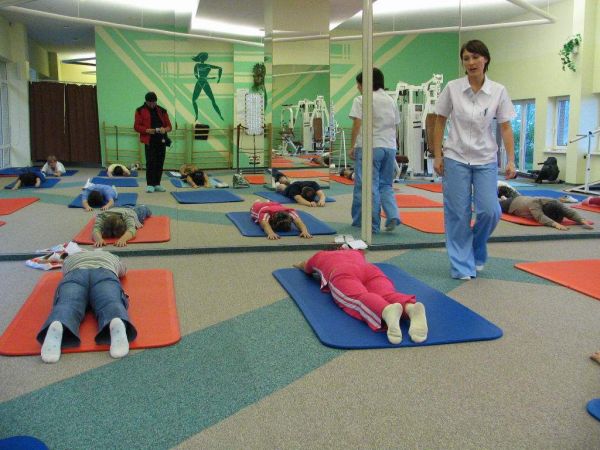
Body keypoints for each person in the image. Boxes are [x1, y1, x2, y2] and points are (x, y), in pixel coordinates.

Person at [432, 40, 517, 280]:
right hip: (455, 157)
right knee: (458, 215)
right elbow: (440, 121)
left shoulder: (498, 91)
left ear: (485, 59)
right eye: (466, 58)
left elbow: (506, 127)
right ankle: (461, 266)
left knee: (490, 211)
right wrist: (437, 155)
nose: (471, 62)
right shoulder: (452, 88)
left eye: (475, 57)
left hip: (485, 159)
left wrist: (511, 160)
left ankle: (476, 249)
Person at [294, 249, 428, 344]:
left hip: (342, 272)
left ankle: (386, 311)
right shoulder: (355, 252)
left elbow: (305, 266)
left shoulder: (320, 255)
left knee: (358, 298)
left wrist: (298, 264)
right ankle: (410, 308)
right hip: (370, 269)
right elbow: (364, 250)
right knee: (387, 293)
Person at [36, 249, 137, 363]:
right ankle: (115, 320)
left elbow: (64, 271)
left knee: (67, 304)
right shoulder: (110, 256)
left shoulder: (72, 257)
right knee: (110, 301)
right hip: (104, 272)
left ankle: (59, 323)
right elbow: (123, 271)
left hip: (75, 273)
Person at [349, 68, 401, 233]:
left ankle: (371, 224)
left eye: (359, 84)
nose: (358, 87)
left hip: (370, 146)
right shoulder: (391, 100)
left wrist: (352, 146)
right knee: (385, 185)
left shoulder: (361, 99)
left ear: (366, 83)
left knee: (367, 186)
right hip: (389, 147)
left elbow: (357, 124)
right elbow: (395, 125)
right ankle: (393, 215)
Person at [134, 91, 173, 193]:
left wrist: (165, 129)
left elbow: (169, 127)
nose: (152, 104)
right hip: (149, 141)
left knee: (160, 162)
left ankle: (157, 184)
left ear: (156, 101)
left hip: (161, 140)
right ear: (146, 101)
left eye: (154, 102)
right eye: (150, 103)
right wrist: (147, 130)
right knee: (151, 163)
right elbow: (136, 126)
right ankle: (150, 184)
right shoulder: (139, 110)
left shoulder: (162, 111)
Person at [499, 196, 594, 230]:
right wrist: (555, 224)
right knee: (496, 206)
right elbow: (540, 217)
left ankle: (504, 198)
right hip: (512, 204)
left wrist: (582, 220)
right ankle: (503, 199)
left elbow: (569, 212)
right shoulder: (534, 204)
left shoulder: (556, 203)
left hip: (524, 201)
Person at [192, 52, 224, 121]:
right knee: (212, 100)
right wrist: (218, 78)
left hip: (200, 82)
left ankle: (197, 116)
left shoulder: (197, 65)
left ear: (200, 58)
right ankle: (220, 115)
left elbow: (196, 76)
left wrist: (216, 78)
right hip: (204, 82)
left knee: (194, 100)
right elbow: (220, 68)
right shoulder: (207, 65)